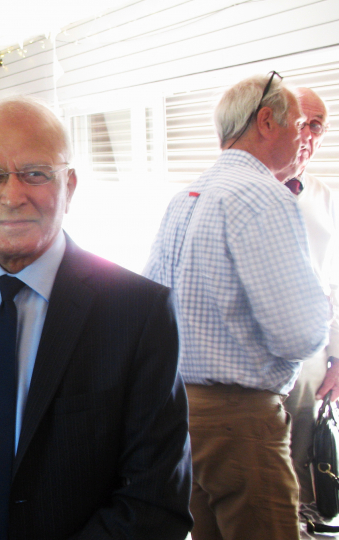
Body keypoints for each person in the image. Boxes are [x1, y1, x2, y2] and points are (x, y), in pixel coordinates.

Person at [0, 96, 193, 540]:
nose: (13, 195)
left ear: (70, 186)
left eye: (36, 174)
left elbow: (155, 497)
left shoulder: (138, 313)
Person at [143, 73, 329, 540]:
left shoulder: (186, 197)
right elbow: (298, 334)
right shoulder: (263, 196)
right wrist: (322, 308)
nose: (303, 139)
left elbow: (148, 308)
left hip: (180, 411)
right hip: (239, 418)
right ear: (266, 122)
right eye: (298, 125)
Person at [281, 87, 338, 526]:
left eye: (316, 124)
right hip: (253, 364)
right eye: (300, 121)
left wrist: (337, 356)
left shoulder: (326, 198)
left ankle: (299, 523)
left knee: (301, 459)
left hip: (312, 358)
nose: (307, 133)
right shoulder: (246, 190)